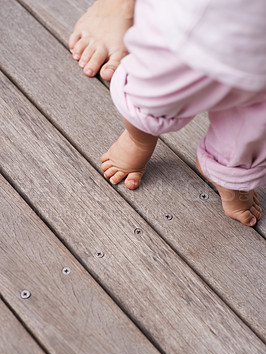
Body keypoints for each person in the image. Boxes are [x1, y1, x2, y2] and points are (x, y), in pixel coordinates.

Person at [69, 0, 266, 227]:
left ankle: (232, 171)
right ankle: (139, 140)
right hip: (193, 26)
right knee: (151, 93)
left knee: (255, 126)